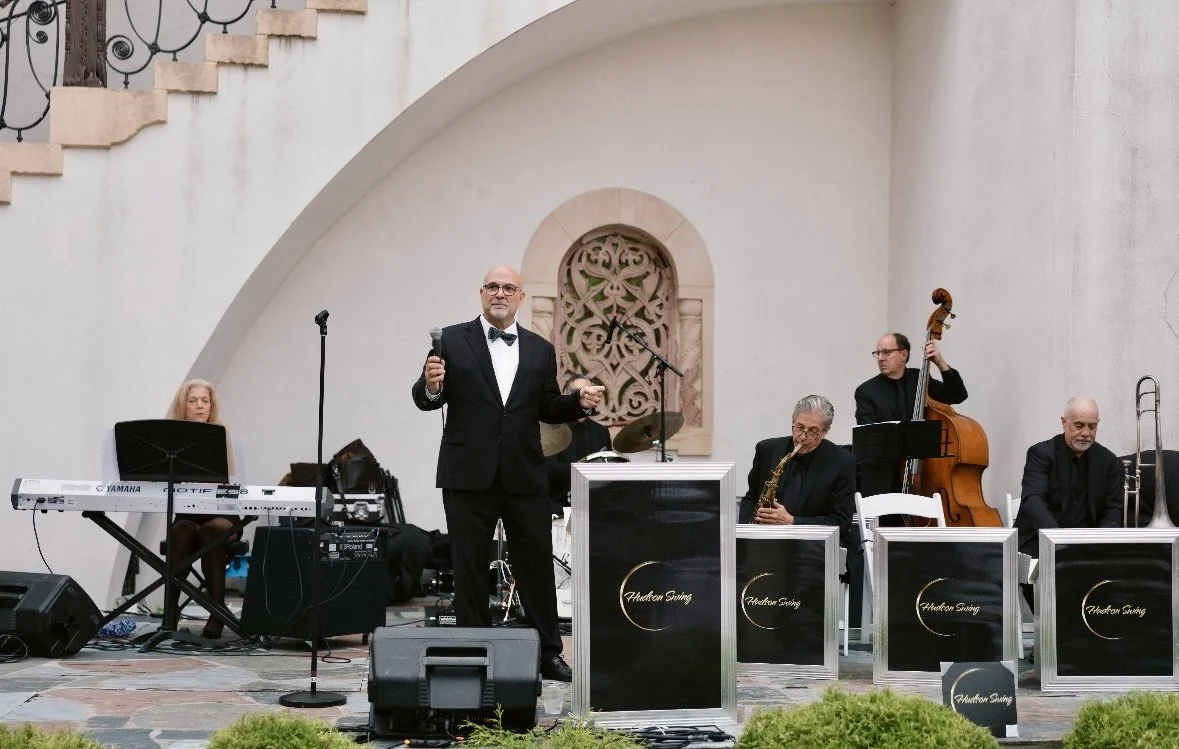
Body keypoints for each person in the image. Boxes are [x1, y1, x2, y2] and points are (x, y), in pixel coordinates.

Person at [411, 265, 605, 682]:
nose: (500, 293)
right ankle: (473, 651)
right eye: (493, 287)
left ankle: (548, 654)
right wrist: (430, 385)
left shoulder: (539, 349)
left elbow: (548, 407)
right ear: (482, 293)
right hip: (468, 472)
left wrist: (579, 403)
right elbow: (427, 399)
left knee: (536, 567)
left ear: (520, 297)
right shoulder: (451, 340)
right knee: (469, 567)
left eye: (508, 288)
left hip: (524, 472)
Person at [1015, 396, 1122, 609]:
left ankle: (1088, 623)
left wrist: (1101, 539)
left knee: (1116, 569)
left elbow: (1114, 507)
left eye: (1092, 426)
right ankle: (1051, 623)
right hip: (1039, 537)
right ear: (1064, 422)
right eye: (1079, 425)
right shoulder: (1040, 453)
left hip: (1086, 541)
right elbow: (1033, 499)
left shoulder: (1108, 460)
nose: (1086, 433)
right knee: (1046, 570)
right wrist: (1056, 538)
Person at [164, 378, 241, 640]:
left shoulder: (223, 436)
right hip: (188, 514)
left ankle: (217, 611)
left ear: (211, 406)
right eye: (193, 400)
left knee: (210, 532)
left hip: (222, 515)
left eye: (204, 401)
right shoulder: (171, 443)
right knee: (181, 532)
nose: (199, 406)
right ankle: (170, 610)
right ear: (183, 406)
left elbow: (236, 481)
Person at [853, 332, 968, 496]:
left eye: (886, 352)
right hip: (883, 479)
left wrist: (940, 362)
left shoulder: (921, 379)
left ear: (904, 354)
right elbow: (869, 435)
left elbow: (957, 395)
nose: (880, 358)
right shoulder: (866, 391)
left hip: (922, 475)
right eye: (877, 353)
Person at [739, 395, 856, 544]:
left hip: (811, 545)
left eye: (813, 431)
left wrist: (793, 522)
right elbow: (751, 497)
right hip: (764, 540)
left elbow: (841, 522)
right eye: (799, 427)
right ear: (793, 422)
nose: (802, 437)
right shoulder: (766, 449)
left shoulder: (843, 462)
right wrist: (745, 534)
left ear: (825, 431)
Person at [546, 374, 613, 517]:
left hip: (594, 507)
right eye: (578, 392)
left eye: (589, 391)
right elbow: (547, 468)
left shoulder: (601, 432)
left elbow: (607, 470)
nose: (585, 396)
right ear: (567, 396)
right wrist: (579, 469)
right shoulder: (552, 429)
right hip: (558, 506)